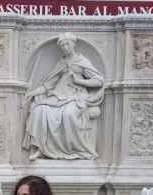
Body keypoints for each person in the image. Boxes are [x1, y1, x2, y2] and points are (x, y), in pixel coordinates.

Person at [23, 32, 104, 161]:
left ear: (73, 44)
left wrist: (79, 81)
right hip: (58, 96)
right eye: (62, 45)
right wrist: (34, 92)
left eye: (67, 44)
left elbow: (99, 81)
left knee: (68, 114)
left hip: (76, 96)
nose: (65, 47)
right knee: (39, 110)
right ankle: (40, 148)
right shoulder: (61, 62)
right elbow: (49, 84)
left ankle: (76, 149)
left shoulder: (82, 62)